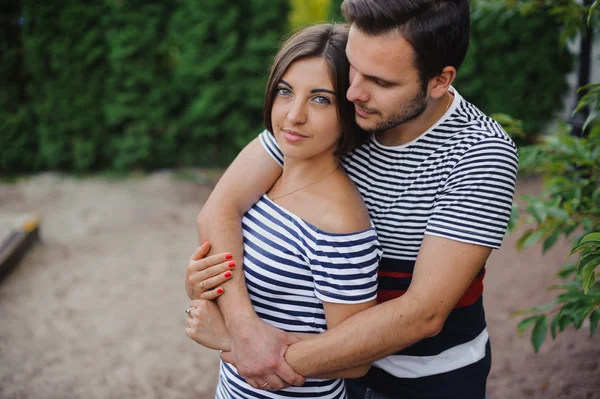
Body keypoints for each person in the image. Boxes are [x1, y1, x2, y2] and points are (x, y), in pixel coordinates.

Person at [185, 1, 519, 398]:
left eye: (380, 81)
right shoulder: (334, 116)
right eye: (353, 66)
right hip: (324, 378)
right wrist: (242, 327)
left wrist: (254, 354)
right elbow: (221, 209)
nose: (353, 91)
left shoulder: (480, 153)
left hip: (424, 380)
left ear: (439, 80)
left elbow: (423, 313)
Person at [186, 23, 383, 399]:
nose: (294, 116)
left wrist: (230, 337)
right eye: (285, 91)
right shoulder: (280, 155)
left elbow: (355, 359)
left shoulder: (339, 224)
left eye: (321, 99)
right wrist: (200, 285)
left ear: (349, 109)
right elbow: (215, 218)